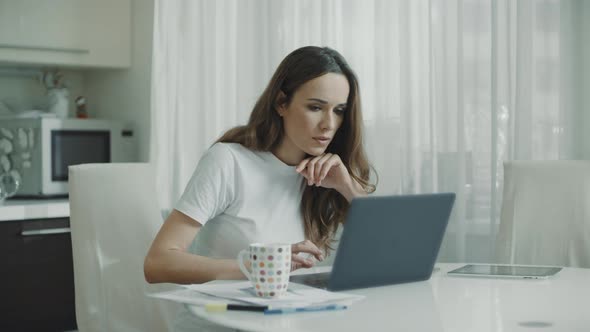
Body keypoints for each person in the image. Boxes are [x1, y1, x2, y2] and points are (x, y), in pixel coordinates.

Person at [144, 46, 377, 331]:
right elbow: (158, 263)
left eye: (339, 111)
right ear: (281, 102)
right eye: (315, 107)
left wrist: (348, 188)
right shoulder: (228, 161)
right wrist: (255, 268)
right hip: (217, 325)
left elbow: (393, 254)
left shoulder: (325, 175)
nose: (329, 124)